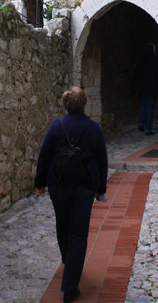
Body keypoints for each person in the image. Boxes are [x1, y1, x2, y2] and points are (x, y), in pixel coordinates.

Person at [35, 86, 108, 303]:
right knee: (78, 233)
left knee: (62, 225)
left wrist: (40, 182)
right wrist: (101, 189)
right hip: (84, 186)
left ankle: (69, 264)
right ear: (84, 104)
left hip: (58, 184)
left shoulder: (57, 126)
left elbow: (45, 155)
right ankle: (70, 285)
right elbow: (102, 161)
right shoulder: (93, 128)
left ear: (66, 104)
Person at [132, 43, 158, 135]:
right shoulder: (155, 60)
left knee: (144, 105)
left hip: (142, 88)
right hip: (152, 88)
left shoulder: (141, 60)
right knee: (150, 107)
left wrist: (136, 87)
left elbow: (136, 74)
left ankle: (141, 122)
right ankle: (148, 129)